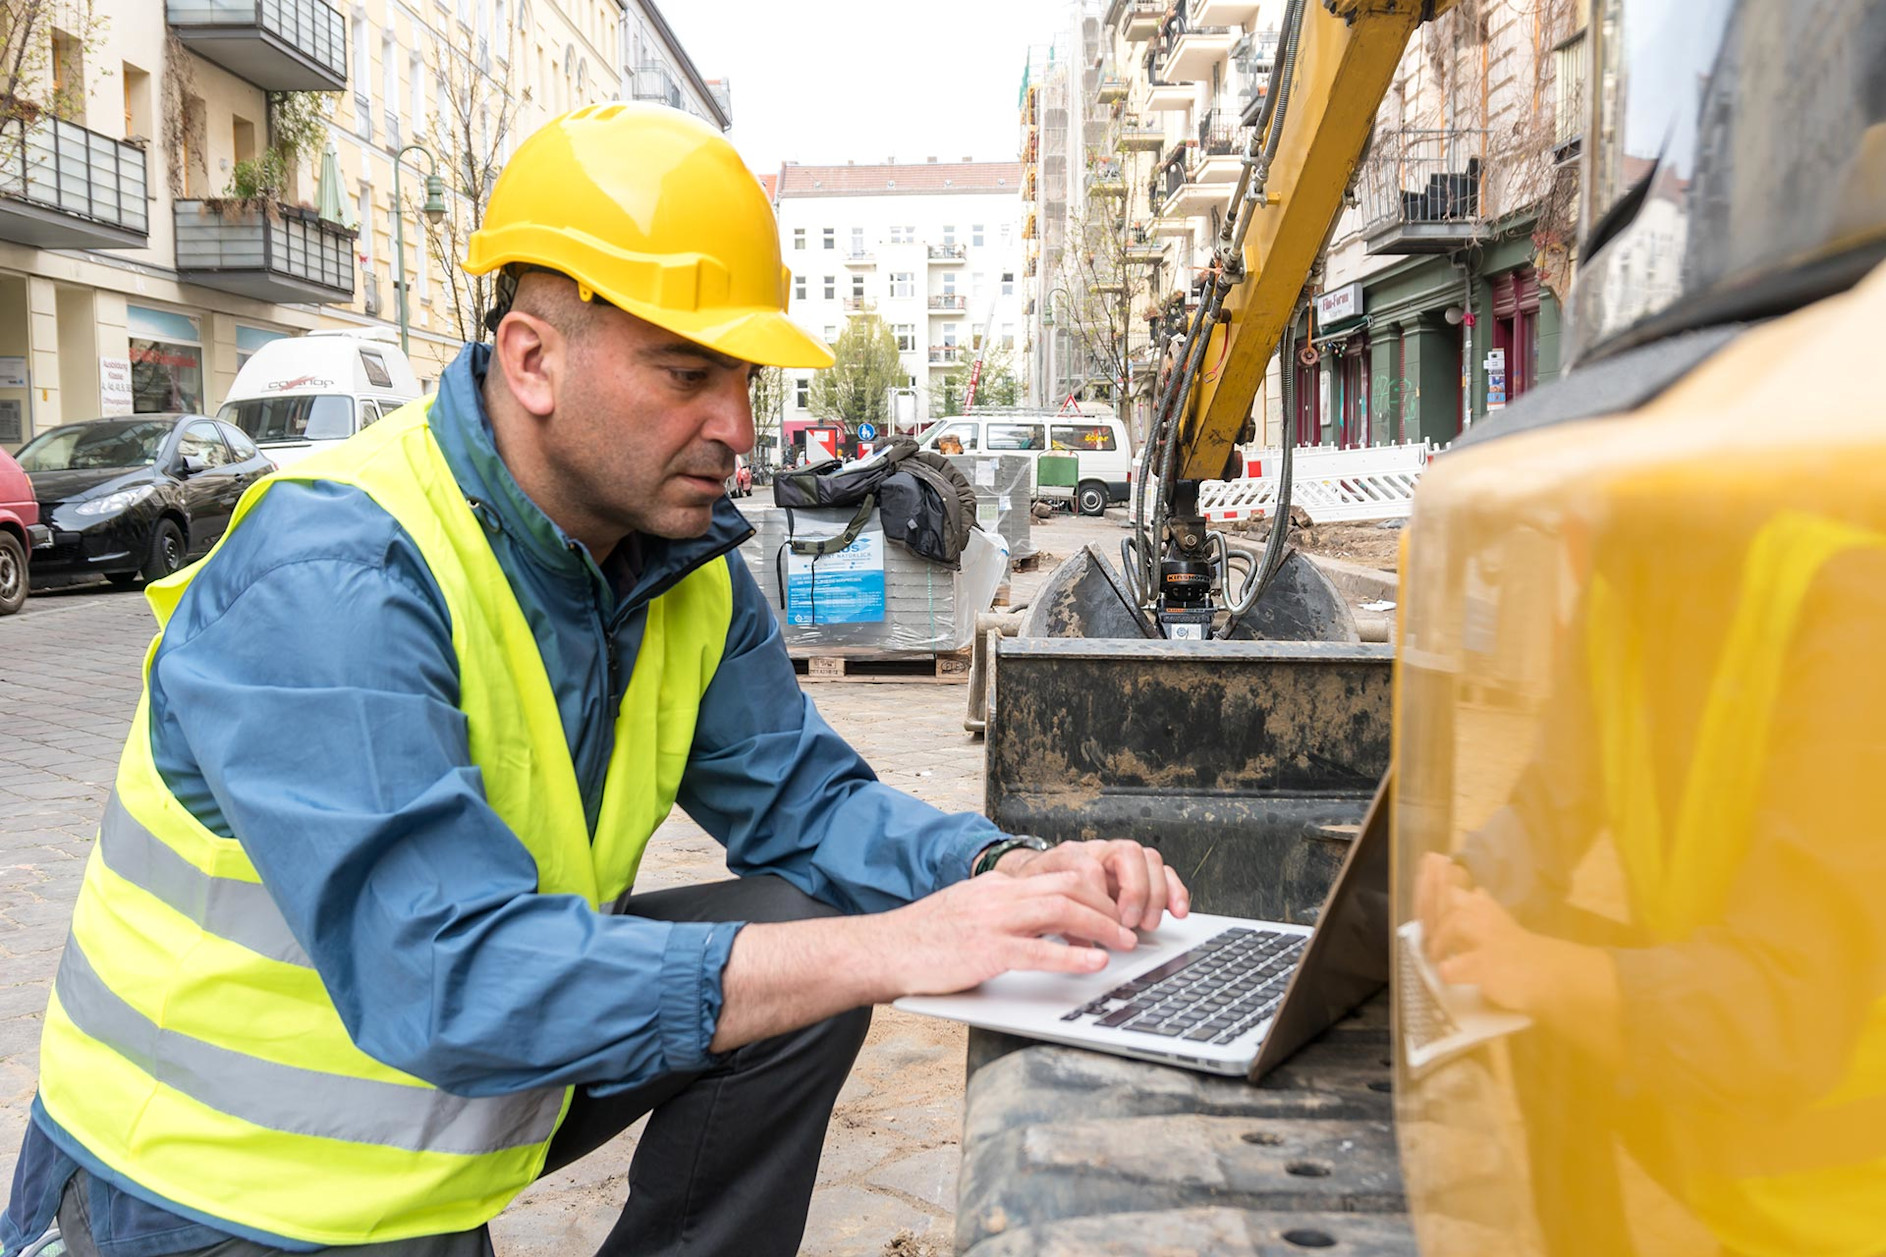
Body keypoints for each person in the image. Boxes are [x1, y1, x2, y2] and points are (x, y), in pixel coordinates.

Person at [0, 104, 1189, 1257]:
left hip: (457, 1108)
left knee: (807, 934)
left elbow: (810, 807)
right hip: (213, 1195)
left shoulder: (681, 572)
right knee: (837, 952)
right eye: (686, 374)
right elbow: (447, 979)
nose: (737, 423)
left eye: (746, 381)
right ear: (531, 361)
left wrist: (999, 875)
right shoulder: (336, 573)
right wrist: (906, 946)